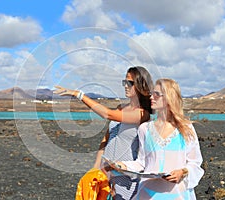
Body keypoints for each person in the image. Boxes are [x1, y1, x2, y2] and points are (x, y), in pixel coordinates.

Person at [54, 66, 153, 199]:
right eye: (124, 82)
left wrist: (79, 95)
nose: (125, 86)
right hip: (105, 170)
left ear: (141, 85)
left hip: (124, 174)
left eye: (130, 83)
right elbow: (106, 139)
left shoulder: (142, 114)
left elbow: (107, 114)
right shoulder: (120, 108)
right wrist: (96, 167)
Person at [116, 78, 204, 200]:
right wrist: (122, 166)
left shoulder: (186, 128)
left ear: (169, 98)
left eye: (156, 94)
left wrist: (182, 172)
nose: (151, 97)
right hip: (148, 195)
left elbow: (195, 162)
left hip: (178, 195)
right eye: (152, 94)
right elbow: (142, 163)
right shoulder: (144, 129)